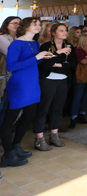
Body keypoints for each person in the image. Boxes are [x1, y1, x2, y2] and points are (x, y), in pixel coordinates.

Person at [1, 17, 52, 167]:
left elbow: (34, 63)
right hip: (20, 85)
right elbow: (11, 66)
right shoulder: (16, 44)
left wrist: (44, 56)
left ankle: (16, 146)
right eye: (34, 24)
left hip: (32, 85)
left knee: (29, 116)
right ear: (25, 26)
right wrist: (37, 56)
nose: (38, 26)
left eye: (39, 24)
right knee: (9, 121)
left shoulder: (35, 43)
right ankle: (8, 154)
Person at [33, 23, 76, 150]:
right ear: (53, 33)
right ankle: (39, 138)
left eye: (66, 30)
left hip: (63, 80)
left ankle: (54, 135)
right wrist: (57, 53)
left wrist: (59, 65)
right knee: (43, 109)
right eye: (61, 30)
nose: (64, 32)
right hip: (48, 80)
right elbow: (44, 65)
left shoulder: (69, 46)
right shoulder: (46, 46)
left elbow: (73, 63)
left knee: (58, 109)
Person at [70, 33, 87, 129]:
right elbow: (83, 61)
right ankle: (74, 116)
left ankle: (82, 114)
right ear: (83, 40)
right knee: (78, 96)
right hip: (80, 76)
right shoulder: (78, 50)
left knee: (86, 96)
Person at [0, 16, 20, 127]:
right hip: (3, 77)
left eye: (19, 24)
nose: (17, 25)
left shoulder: (18, 38)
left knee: (8, 107)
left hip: (13, 77)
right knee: (2, 105)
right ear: (6, 24)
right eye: (14, 23)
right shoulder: (2, 38)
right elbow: (13, 55)